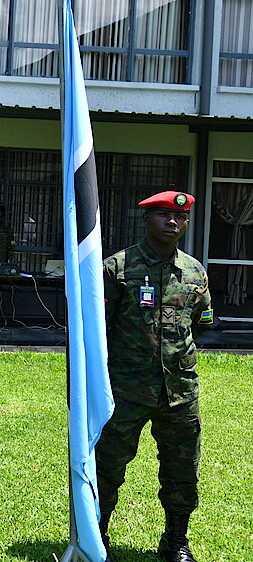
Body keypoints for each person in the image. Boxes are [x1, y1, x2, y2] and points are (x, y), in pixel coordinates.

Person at [97, 191, 213, 562]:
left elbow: (201, 322)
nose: (172, 222)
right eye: (163, 215)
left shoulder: (194, 272)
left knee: (182, 470)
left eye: (180, 217)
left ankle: (176, 541)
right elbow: (97, 328)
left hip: (179, 391)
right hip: (125, 389)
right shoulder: (117, 268)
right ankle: (97, 538)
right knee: (107, 467)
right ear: (146, 219)